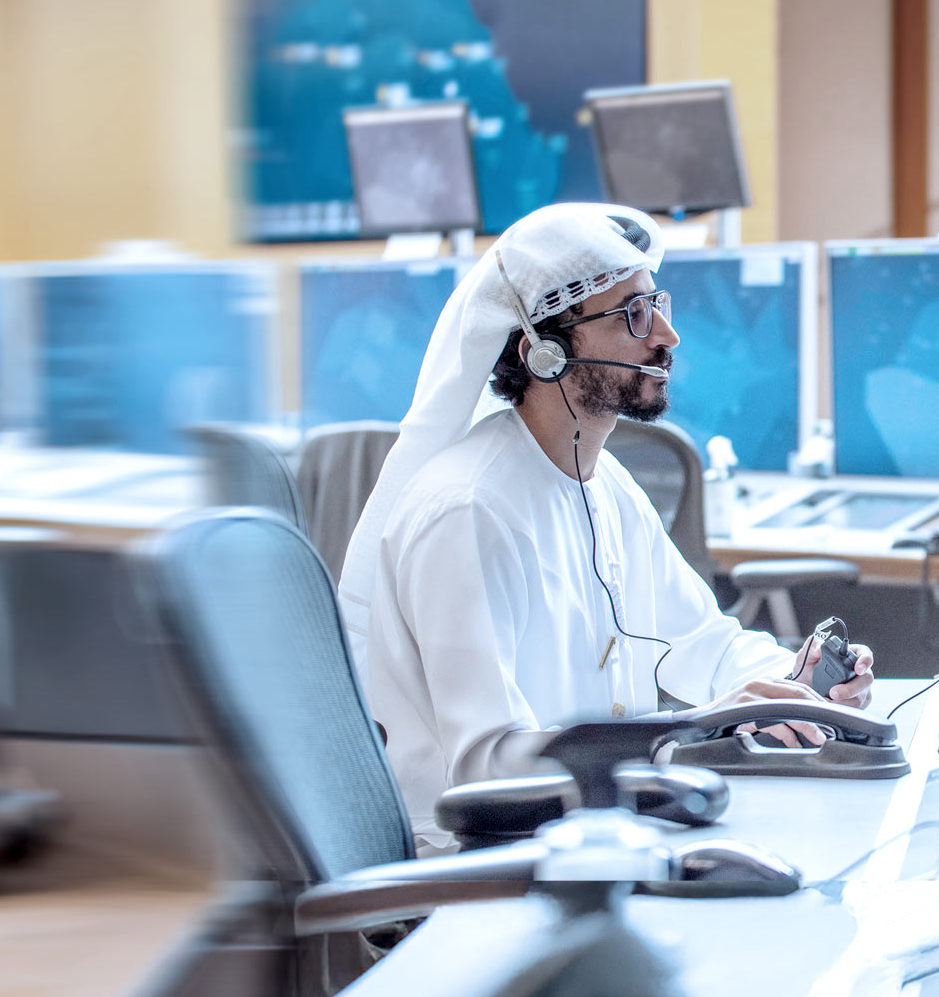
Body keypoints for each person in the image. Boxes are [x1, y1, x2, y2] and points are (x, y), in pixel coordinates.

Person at [338, 203, 873, 847]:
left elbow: (702, 644)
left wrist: (793, 683)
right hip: (479, 866)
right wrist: (688, 734)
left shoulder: (605, 484)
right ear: (544, 350)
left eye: (659, 306)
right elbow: (486, 768)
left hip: (596, 830)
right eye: (634, 315)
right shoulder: (469, 511)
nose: (668, 336)